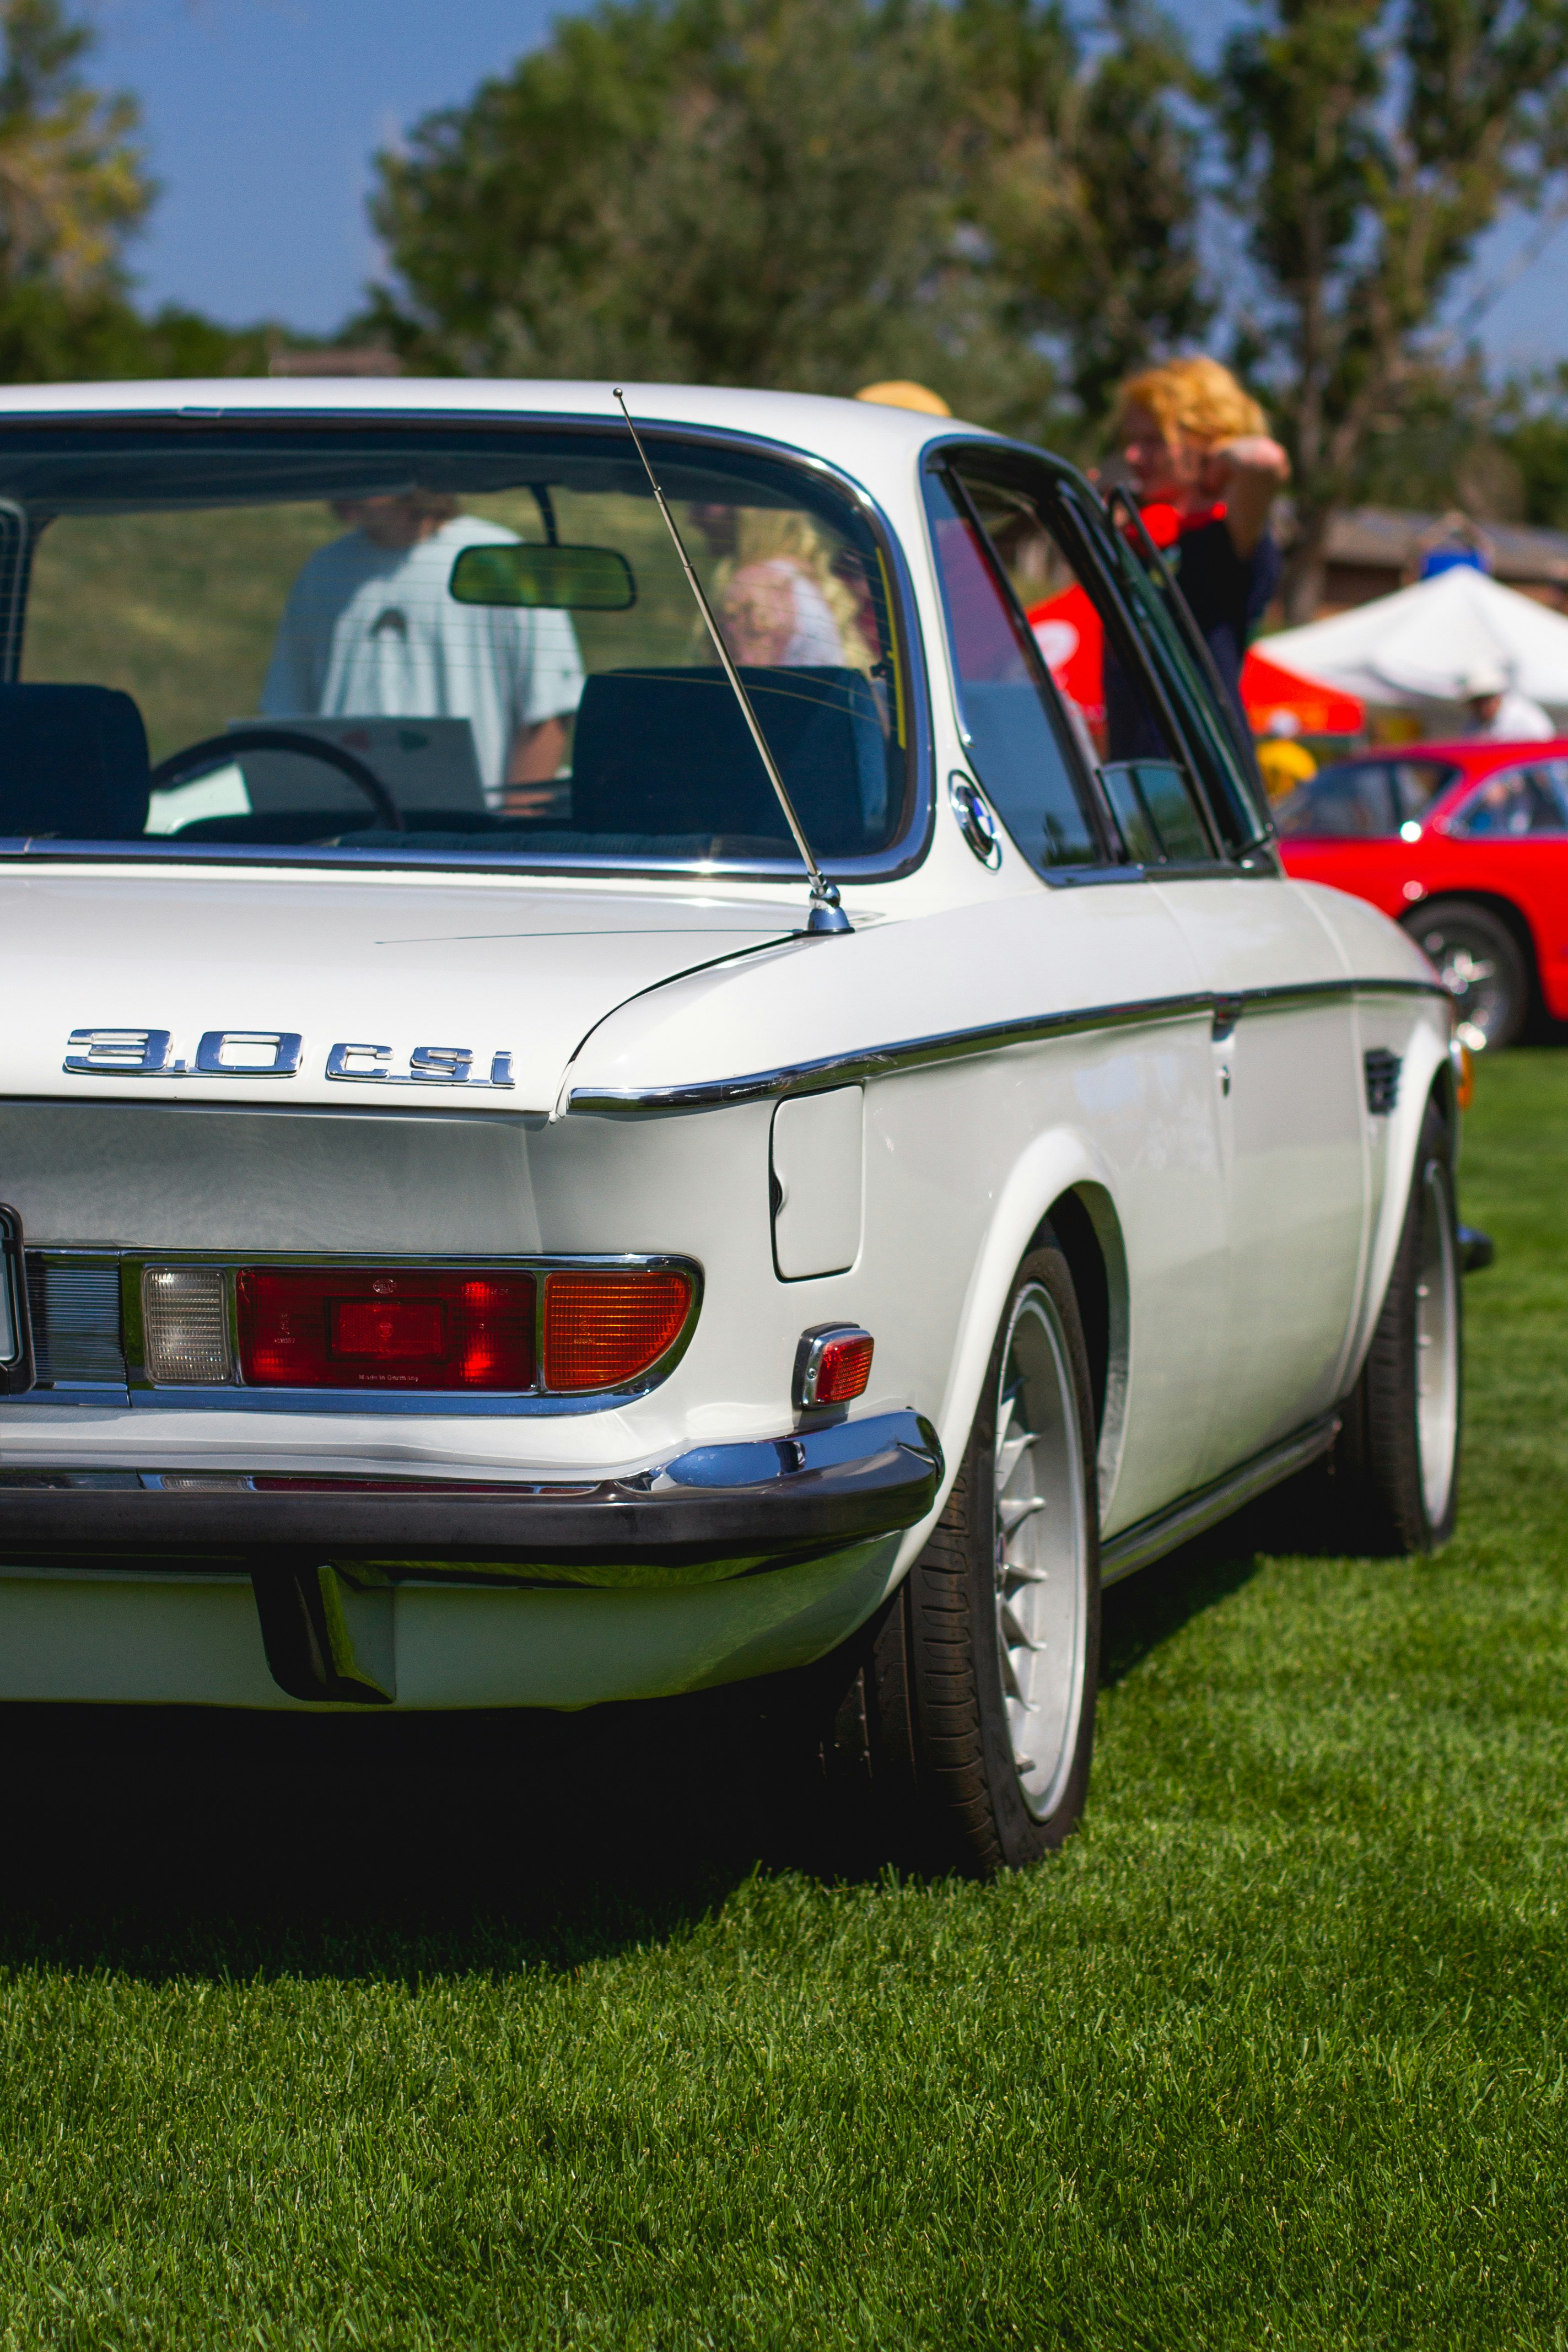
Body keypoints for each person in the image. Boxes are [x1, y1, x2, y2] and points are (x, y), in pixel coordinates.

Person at [261, 491, 585, 812]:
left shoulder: (500, 560)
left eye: (367, 467)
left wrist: (511, 831)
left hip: (468, 838)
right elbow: (290, 717)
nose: (346, 483)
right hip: (349, 837)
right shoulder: (325, 569)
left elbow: (548, 712)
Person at [1112, 356, 1291, 723]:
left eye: (1153, 441)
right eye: (1131, 441)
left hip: (1200, 774)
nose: (1133, 456)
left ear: (1208, 439)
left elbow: (1264, 460)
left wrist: (1217, 459)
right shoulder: (1140, 529)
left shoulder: (1228, 534)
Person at [1454, 660, 1555, 743]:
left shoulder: (1526, 720)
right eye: (1476, 702)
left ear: (1498, 695)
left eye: (1486, 700)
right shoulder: (1473, 725)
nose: (1482, 707)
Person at [1255, 709, 1318, 802]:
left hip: (1263, 804)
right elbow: (1311, 786)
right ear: (1295, 731)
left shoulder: (1260, 753)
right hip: (1291, 808)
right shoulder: (1299, 756)